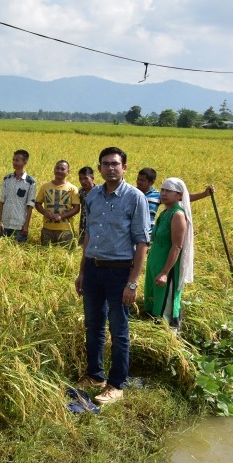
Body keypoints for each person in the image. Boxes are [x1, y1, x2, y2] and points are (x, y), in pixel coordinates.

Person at [74, 147, 150, 406]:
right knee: (93, 325)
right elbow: (89, 237)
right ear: (100, 168)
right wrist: (82, 271)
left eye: (115, 164)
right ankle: (95, 376)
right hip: (94, 269)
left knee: (118, 330)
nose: (110, 168)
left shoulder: (135, 198)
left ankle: (116, 384)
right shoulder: (93, 196)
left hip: (120, 272)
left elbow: (142, 243)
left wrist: (132, 282)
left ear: (124, 167)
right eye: (105, 164)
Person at [144, 178, 194, 330]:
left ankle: (169, 336)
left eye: (168, 191)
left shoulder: (177, 214)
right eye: (162, 190)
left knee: (165, 304)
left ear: (179, 196)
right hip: (156, 263)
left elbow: (177, 246)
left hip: (167, 267)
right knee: (154, 300)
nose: (163, 194)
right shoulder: (165, 212)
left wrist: (165, 272)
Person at [35, 160, 80, 246]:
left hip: (66, 230)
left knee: (66, 254)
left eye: (62, 169)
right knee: (45, 254)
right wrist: (45, 212)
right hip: (47, 229)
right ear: (54, 170)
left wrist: (61, 216)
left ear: (68, 172)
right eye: (57, 168)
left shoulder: (72, 188)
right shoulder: (45, 186)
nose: (59, 171)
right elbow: (38, 203)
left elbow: (76, 208)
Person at [0, 149, 36, 242]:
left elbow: (30, 206)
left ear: (25, 162)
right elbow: (2, 201)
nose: (14, 162)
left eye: (17, 160)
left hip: (19, 226)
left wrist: (26, 226)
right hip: (5, 224)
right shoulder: (7, 179)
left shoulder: (30, 182)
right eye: (13, 159)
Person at [77, 166, 96, 245]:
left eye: (86, 178)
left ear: (92, 178)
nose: (83, 181)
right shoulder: (80, 192)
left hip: (95, 227)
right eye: (80, 179)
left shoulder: (99, 192)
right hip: (83, 227)